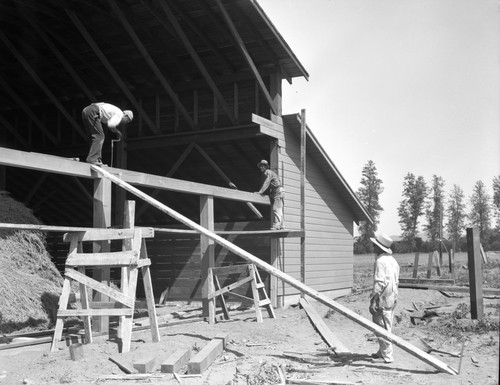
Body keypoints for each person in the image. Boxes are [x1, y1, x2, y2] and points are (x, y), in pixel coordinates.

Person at [369, 232, 399, 363]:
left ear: (379, 247)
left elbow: (379, 283)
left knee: (381, 327)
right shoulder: (393, 261)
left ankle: (387, 356)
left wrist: (373, 301)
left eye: (375, 245)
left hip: (382, 297)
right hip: (391, 296)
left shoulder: (380, 261)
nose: (373, 248)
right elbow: (396, 281)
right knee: (387, 324)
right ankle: (382, 352)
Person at [256, 160, 284, 230]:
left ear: (266, 166)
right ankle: (281, 225)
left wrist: (260, 192)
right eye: (260, 166)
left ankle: (277, 225)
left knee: (276, 208)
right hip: (278, 190)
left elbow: (266, 183)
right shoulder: (269, 173)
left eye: (262, 166)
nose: (261, 167)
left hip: (277, 190)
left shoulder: (268, 172)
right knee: (279, 209)